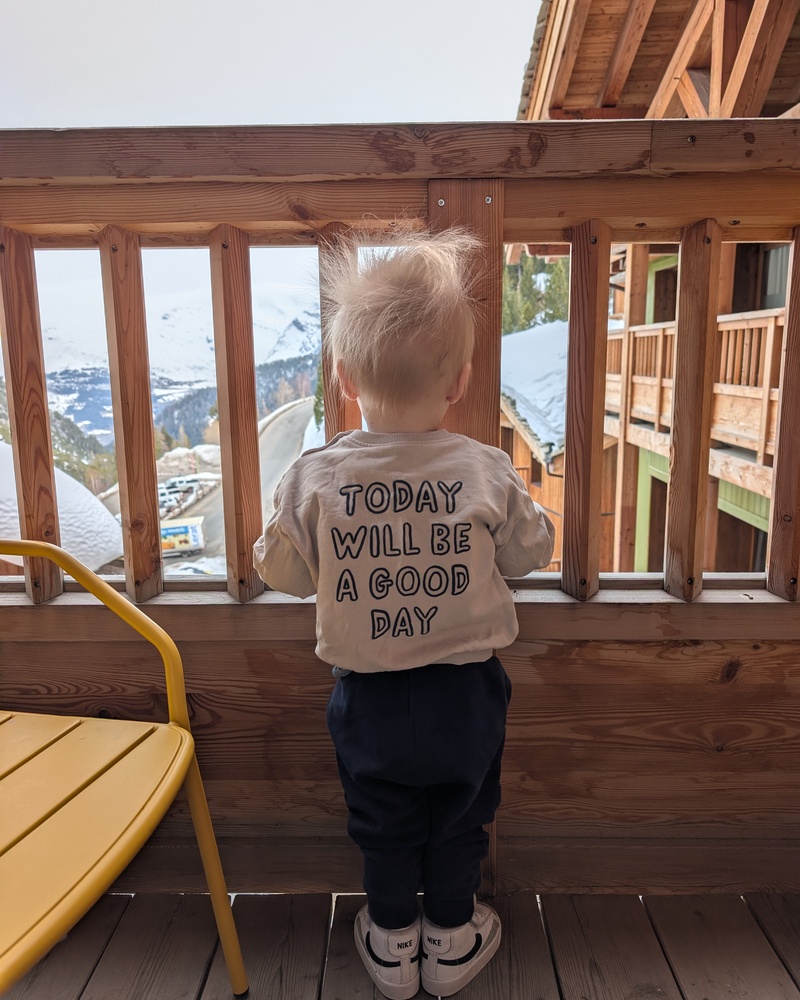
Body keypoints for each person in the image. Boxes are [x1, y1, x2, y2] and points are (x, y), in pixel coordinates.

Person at [253, 228, 555, 999]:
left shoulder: (315, 476)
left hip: (369, 698)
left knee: (381, 821)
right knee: (460, 817)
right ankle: (451, 939)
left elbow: (283, 572)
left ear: (344, 377)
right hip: (466, 695)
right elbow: (530, 553)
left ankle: (392, 942)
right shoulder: (484, 469)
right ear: (460, 383)